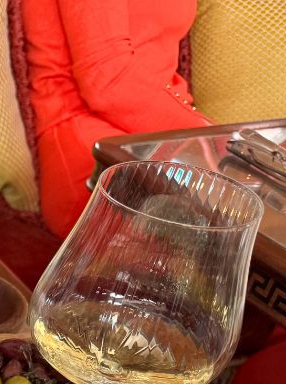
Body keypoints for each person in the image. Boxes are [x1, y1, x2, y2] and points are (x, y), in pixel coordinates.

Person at [22, 0, 212, 237]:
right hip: (89, 142)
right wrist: (210, 140)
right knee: (216, 225)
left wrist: (206, 138)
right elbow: (106, 81)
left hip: (159, 129)